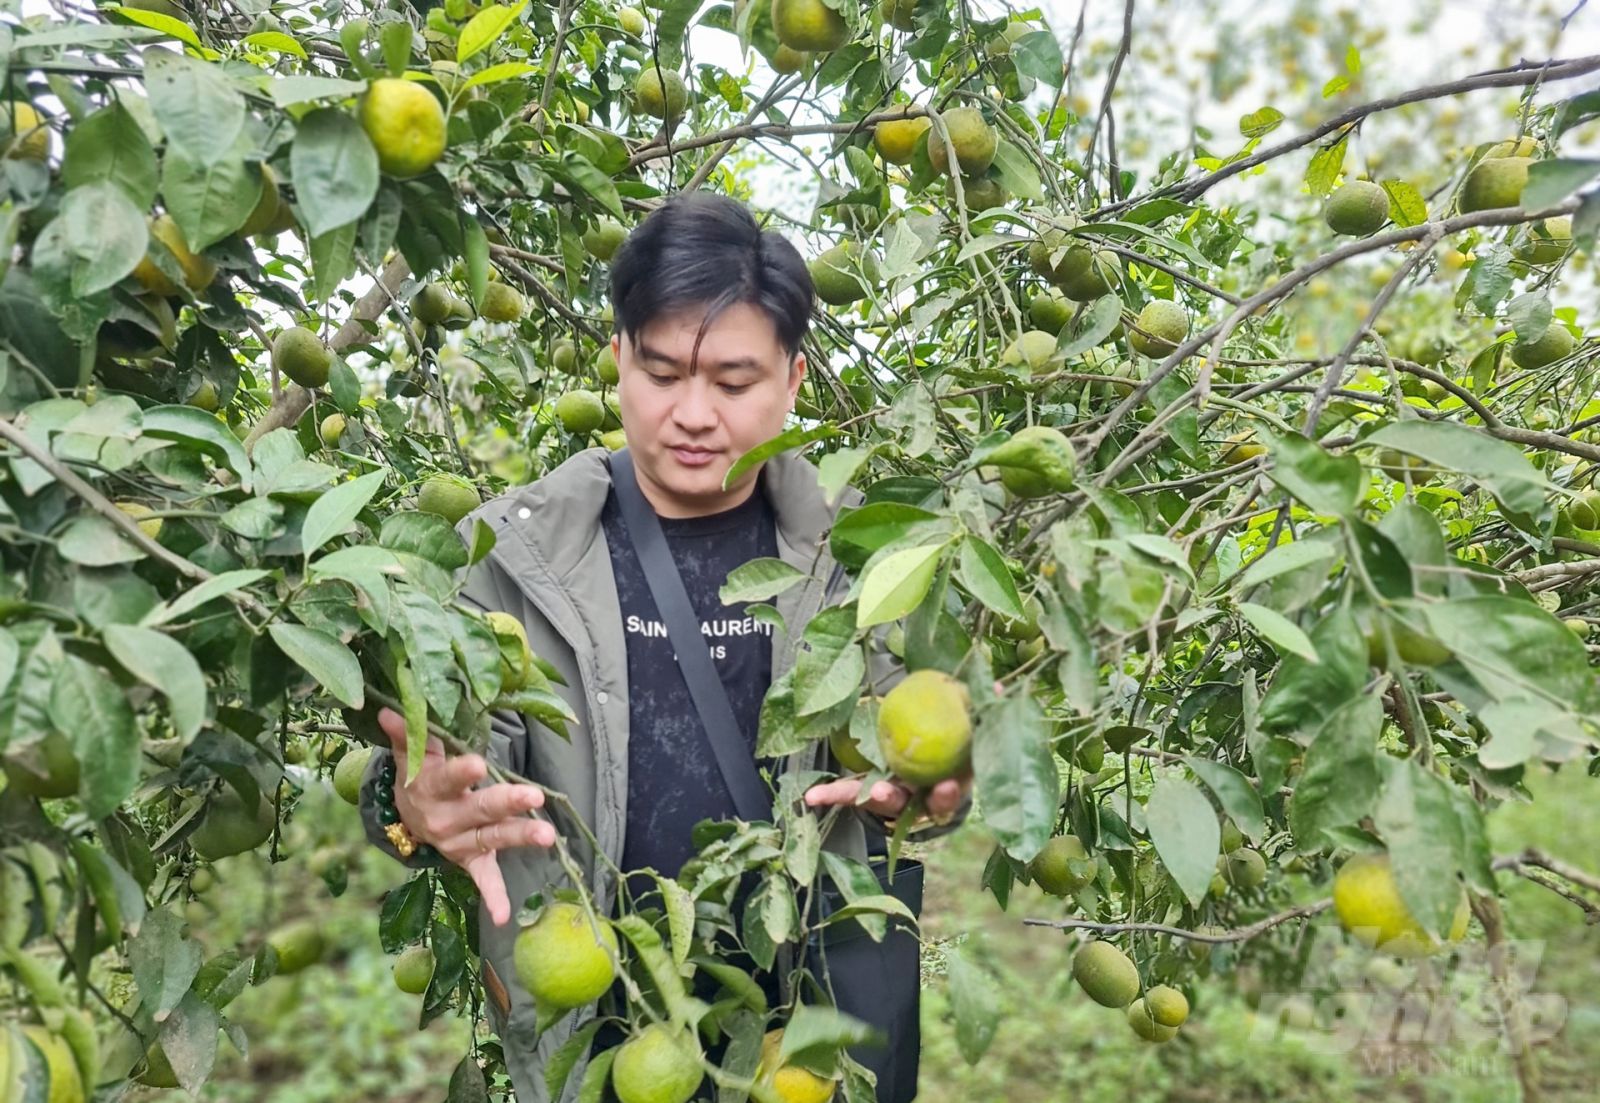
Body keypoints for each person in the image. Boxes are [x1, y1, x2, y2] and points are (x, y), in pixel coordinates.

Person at [359, 192, 970, 1102]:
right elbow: (439, 772)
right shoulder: (508, 556)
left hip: (805, 1030)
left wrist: (931, 793)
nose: (693, 414)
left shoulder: (864, 561)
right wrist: (409, 809)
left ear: (793, 382)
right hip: (595, 1031)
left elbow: (921, 760)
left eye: (732, 383)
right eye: (661, 372)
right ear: (617, 362)